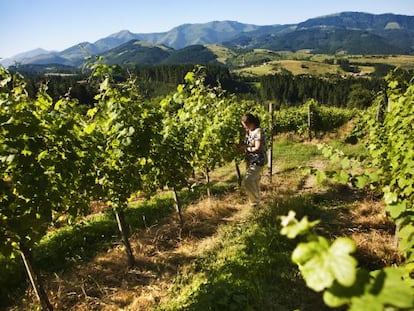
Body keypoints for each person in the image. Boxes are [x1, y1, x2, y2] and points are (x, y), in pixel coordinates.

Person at [238, 113, 266, 207]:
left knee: (248, 180)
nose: (245, 127)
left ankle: (254, 203)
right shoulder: (249, 131)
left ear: (251, 123)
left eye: (246, 125)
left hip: (258, 160)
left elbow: (258, 148)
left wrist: (246, 149)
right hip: (250, 160)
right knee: (254, 181)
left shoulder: (258, 131)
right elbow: (246, 143)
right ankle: (258, 203)